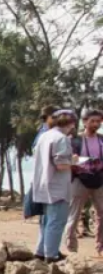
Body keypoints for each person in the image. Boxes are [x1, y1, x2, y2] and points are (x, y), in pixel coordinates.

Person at [31, 108, 76, 262]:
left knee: (46, 221)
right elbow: (61, 164)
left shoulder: (44, 136)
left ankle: (41, 251)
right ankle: (51, 255)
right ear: (70, 123)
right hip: (57, 187)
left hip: (43, 186)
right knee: (57, 221)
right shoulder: (61, 138)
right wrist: (75, 161)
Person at [65, 108, 103, 255]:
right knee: (73, 215)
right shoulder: (75, 140)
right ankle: (71, 249)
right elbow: (67, 160)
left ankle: (100, 248)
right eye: (92, 121)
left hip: (99, 180)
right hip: (79, 180)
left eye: (98, 121)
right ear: (85, 122)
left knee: (102, 214)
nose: (96, 124)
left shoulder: (101, 139)